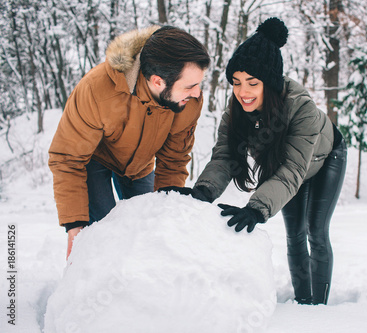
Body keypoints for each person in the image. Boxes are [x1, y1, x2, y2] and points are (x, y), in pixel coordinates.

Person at [191, 17, 347, 305]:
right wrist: (203, 191)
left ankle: (321, 308)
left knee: (316, 231)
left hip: (326, 158)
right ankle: (304, 303)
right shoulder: (237, 111)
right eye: (236, 82)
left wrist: (256, 208)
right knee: (294, 235)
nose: (242, 91)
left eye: (252, 82)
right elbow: (225, 155)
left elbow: (292, 169)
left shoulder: (301, 109)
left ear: (270, 83)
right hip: (291, 168)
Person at [48, 25, 210, 259]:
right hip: (94, 160)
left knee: (149, 228)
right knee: (104, 233)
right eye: (189, 86)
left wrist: (167, 209)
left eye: (198, 84)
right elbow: (68, 158)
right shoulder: (96, 90)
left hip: (140, 165)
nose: (197, 93)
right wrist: (75, 226)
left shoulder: (188, 100)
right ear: (158, 82)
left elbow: (173, 160)